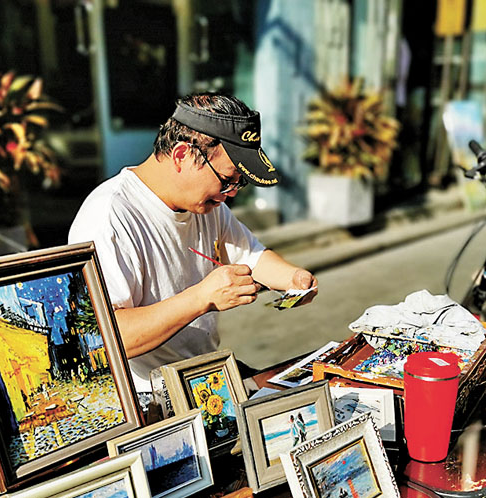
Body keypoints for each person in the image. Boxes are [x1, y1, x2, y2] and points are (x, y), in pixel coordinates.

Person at [68, 93, 317, 393]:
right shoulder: (109, 216)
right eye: (227, 179)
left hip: (208, 377)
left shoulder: (208, 206)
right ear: (182, 155)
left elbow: (251, 255)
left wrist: (293, 278)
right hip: (149, 397)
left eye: (240, 182)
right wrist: (201, 298)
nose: (231, 193)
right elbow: (105, 338)